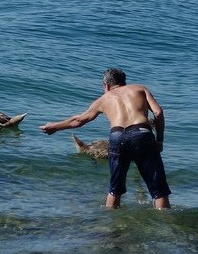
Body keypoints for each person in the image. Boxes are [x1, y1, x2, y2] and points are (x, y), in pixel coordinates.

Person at [39, 68, 171, 209]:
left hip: (117, 137)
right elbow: (158, 112)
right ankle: (165, 225)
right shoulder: (140, 89)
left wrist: (55, 126)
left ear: (106, 85)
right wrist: (159, 140)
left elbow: (78, 120)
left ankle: (109, 226)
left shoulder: (103, 99)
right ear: (124, 82)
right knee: (159, 190)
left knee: (115, 190)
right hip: (142, 133)